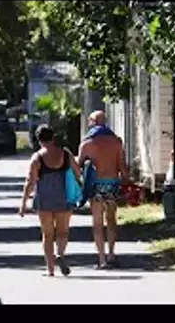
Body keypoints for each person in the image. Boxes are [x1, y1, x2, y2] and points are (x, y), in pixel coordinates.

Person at [19, 124, 82, 277]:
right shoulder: (65, 154)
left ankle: (50, 269)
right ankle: (60, 253)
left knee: (47, 235)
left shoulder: (37, 158)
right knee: (63, 231)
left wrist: (23, 203)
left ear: (39, 140)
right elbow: (77, 172)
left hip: (44, 199)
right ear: (53, 137)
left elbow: (30, 181)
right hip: (63, 198)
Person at [77, 110, 129, 269]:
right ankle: (112, 254)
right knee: (111, 220)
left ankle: (101, 259)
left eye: (90, 121)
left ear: (93, 122)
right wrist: (127, 181)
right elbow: (122, 166)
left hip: (96, 185)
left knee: (97, 222)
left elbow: (77, 166)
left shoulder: (86, 144)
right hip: (112, 183)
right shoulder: (116, 142)